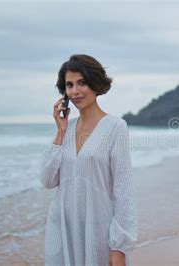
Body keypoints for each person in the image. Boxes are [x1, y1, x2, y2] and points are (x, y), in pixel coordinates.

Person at [38, 54, 138, 266]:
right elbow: (47, 180)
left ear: (95, 83)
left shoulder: (115, 127)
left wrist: (119, 246)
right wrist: (60, 131)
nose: (75, 91)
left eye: (81, 83)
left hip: (98, 231)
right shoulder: (67, 128)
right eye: (69, 85)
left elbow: (124, 189)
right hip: (63, 229)